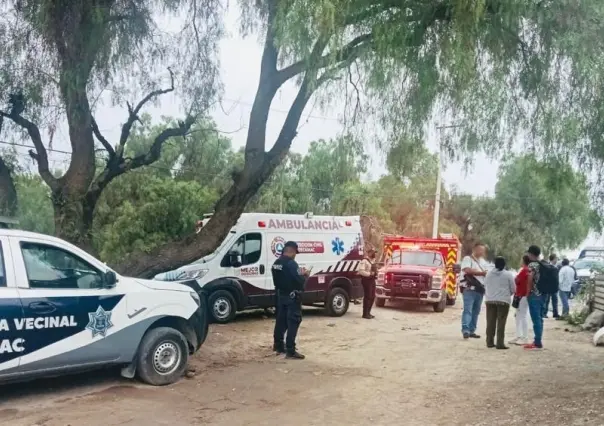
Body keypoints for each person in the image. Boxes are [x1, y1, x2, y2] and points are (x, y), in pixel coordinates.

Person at [272, 241, 309, 359]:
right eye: (295, 253)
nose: (295, 255)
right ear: (292, 251)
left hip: (280, 296)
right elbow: (300, 281)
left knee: (281, 321)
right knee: (293, 322)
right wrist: (305, 275)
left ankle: (278, 345)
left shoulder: (276, 263)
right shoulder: (292, 264)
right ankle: (290, 350)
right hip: (292, 297)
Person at [484, 256, 515, 349]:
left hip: (490, 300)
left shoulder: (488, 274)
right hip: (503, 301)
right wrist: (508, 294)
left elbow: (485, 285)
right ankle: (500, 343)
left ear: (495, 264)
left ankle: (489, 342)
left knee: (490, 322)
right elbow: (513, 289)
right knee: (501, 322)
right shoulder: (508, 274)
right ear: (504, 264)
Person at [460, 243, 488, 339]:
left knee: (476, 311)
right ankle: (466, 330)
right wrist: (481, 273)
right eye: (480, 250)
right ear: (474, 249)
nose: (481, 252)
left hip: (480, 290)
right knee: (468, 310)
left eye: (483, 250)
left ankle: (472, 330)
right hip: (469, 289)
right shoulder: (468, 259)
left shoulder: (483, 262)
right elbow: (467, 270)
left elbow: (487, 273)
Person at [525, 245, 546, 350]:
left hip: (534, 295)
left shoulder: (532, 264)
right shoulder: (544, 264)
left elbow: (530, 278)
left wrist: (528, 292)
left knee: (536, 319)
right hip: (543, 294)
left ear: (530, 254)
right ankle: (538, 340)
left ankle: (537, 342)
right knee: (540, 318)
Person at [509, 254, 531, 346]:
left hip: (523, 295)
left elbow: (516, 280)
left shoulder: (525, 270)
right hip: (521, 295)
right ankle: (519, 335)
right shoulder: (525, 270)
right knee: (518, 316)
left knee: (522, 316)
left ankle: (524, 337)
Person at [358, 247, 377, 319]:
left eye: (374, 253)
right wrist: (369, 274)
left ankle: (368, 312)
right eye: (373, 253)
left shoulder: (373, 261)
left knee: (372, 296)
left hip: (372, 280)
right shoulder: (364, 261)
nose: (374, 254)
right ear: (369, 253)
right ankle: (365, 314)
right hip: (366, 280)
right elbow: (361, 271)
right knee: (368, 296)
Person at [542, 254, 560, 319]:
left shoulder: (557, 267)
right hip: (548, 286)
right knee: (547, 300)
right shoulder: (547, 266)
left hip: (554, 287)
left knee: (555, 301)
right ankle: (544, 313)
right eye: (556, 259)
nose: (557, 260)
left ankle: (555, 313)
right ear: (553, 259)